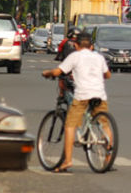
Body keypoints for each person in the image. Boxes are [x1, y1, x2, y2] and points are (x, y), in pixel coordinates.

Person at [41, 30, 112, 173]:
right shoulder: (98, 57)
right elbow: (108, 75)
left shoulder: (75, 56)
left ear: (76, 45)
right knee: (104, 123)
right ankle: (108, 158)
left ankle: (67, 161)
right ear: (91, 46)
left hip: (82, 96)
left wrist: (47, 73)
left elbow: (57, 72)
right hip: (99, 95)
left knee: (70, 125)